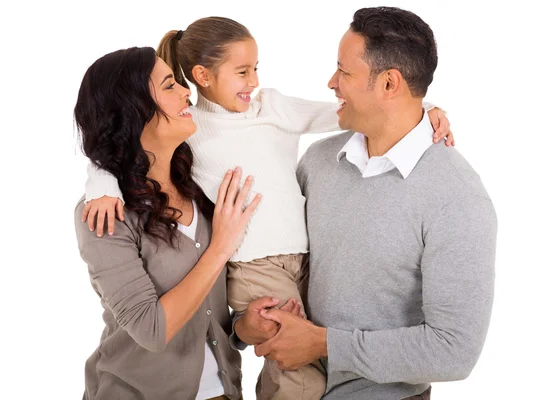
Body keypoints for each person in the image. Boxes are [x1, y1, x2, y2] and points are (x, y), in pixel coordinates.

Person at [81, 17, 454, 400]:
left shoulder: (192, 175)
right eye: (171, 85)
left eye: (255, 69)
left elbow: (347, 113)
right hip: (152, 376)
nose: (186, 95)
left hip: (243, 357)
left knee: (323, 346)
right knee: (299, 374)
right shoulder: (132, 194)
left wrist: (422, 110)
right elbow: (118, 151)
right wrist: (102, 183)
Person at [248, 7, 498, 400]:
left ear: (389, 84)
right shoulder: (318, 161)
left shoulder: (457, 198)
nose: (331, 82)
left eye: (344, 72)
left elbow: (454, 351)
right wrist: (247, 324)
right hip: (288, 388)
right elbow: (281, 264)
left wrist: (324, 343)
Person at [73, 46, 268, 400]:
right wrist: (220, 247)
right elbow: (152, 330)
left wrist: (243, 328)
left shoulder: (205, 187)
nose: (186, 92)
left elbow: (210, 314)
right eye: (168, 86)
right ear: (133, 112)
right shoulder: (103, 214)